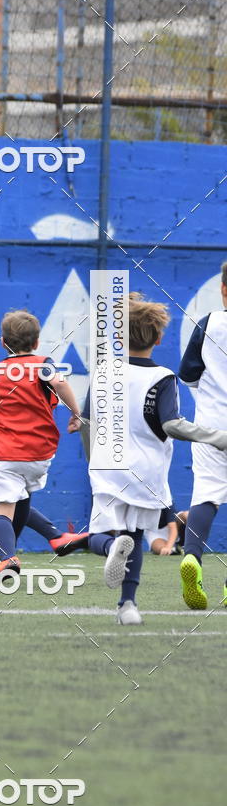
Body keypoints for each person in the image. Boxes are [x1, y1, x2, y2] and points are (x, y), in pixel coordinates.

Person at [84, 294, 227, 625]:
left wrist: (93, 460)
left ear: (119, 337)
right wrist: (216, 437)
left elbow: (88, 421)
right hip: (148, 473)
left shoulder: (103, 372)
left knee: (97, 536)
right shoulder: (163, 377)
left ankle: (109, 548)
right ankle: (128, 606)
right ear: (159, 338)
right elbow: (172, 425)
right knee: (134, 536)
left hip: (108, 469)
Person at [0, 309, 87, 584]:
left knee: (0, 508)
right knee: (23, 496)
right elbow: (59, 383)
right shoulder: (43, 364)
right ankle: (51, 539)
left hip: (5, 453)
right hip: (40, 453)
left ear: (3, 342)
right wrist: (76, 413)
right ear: (37, 342)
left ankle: (7, 558)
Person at [178, 261, 227, 608]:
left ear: (223, 289)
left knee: (207, 493)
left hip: (211, 425)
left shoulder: (209, 323)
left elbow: (188, 375)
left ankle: (192, 555)